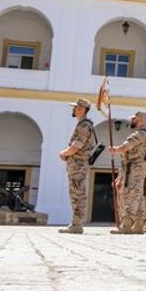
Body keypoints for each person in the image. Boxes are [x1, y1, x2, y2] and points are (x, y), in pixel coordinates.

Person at [109, 110, 146, 235]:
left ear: (141, 120)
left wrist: (115, 150)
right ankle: (138, 224)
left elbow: (125, 147)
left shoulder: (138, 134)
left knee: (131, 194)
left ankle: (127, 224)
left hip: (135, 166)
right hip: (138, 166)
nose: (132, 121)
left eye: (135, 119)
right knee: (138, 194)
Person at [58, 98, 95, 234]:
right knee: (76, 192)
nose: (74, 110)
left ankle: (77, 224)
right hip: (76, 163)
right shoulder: (83, 124)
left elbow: (77, 145)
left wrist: (64, 153)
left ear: (82, 109)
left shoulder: (83, 126)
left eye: (76, 108)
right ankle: (76, 222)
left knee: (77, 193)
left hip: (78, 164)